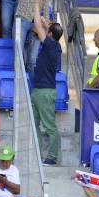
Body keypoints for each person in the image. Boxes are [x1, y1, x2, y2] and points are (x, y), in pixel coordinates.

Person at [31, 15, 63, 165]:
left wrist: (36, 5)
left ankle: (52, 157)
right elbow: (44, 28)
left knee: (49, 126)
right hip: (38, 90)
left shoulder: (52, 45)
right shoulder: (53, 45)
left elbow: (37, 26)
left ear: (49, 35)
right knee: (34, 123)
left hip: (45, 91)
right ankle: (37, 154)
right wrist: (47, 23)